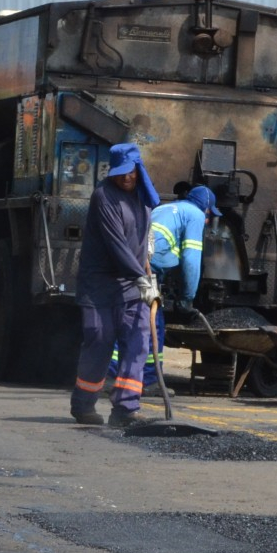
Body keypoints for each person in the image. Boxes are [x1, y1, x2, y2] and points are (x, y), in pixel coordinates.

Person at [72, 142, 159, 428]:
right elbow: (117, 246)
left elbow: (143, 240)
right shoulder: (104, 197)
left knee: (137, 341)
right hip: (99, 286)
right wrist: (142, 279)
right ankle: (83, 404)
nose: (126, 177)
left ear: (138, 168)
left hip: (132, 284)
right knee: (99, 339)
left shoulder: (144, 198)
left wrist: (149, 273)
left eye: (130, 172)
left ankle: (126, 407)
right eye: (120, 173)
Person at [140, 183, 216, 387]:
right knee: (154, 324)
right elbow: (191, 260)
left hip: (136, 266)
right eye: (210, 215)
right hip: (149, 270)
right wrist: (187, 299)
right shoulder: (196, 215)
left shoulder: (166, 208)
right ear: (206, 209)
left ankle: (115, 374)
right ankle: (149, 381)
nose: (208, 220)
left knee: (133, 319)